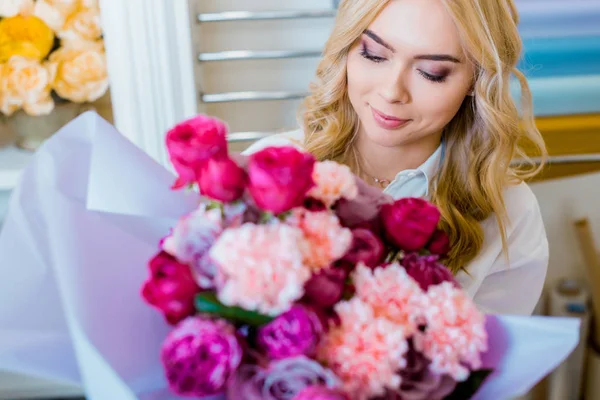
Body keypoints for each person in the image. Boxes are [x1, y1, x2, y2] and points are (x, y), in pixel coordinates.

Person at [243, 0, 549, 315]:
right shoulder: (269, 169)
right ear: (348, 48)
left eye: (432, 73)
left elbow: (493, 357)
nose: (392, 92)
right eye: (373, 55)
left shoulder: (511, 215)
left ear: (476, 81)